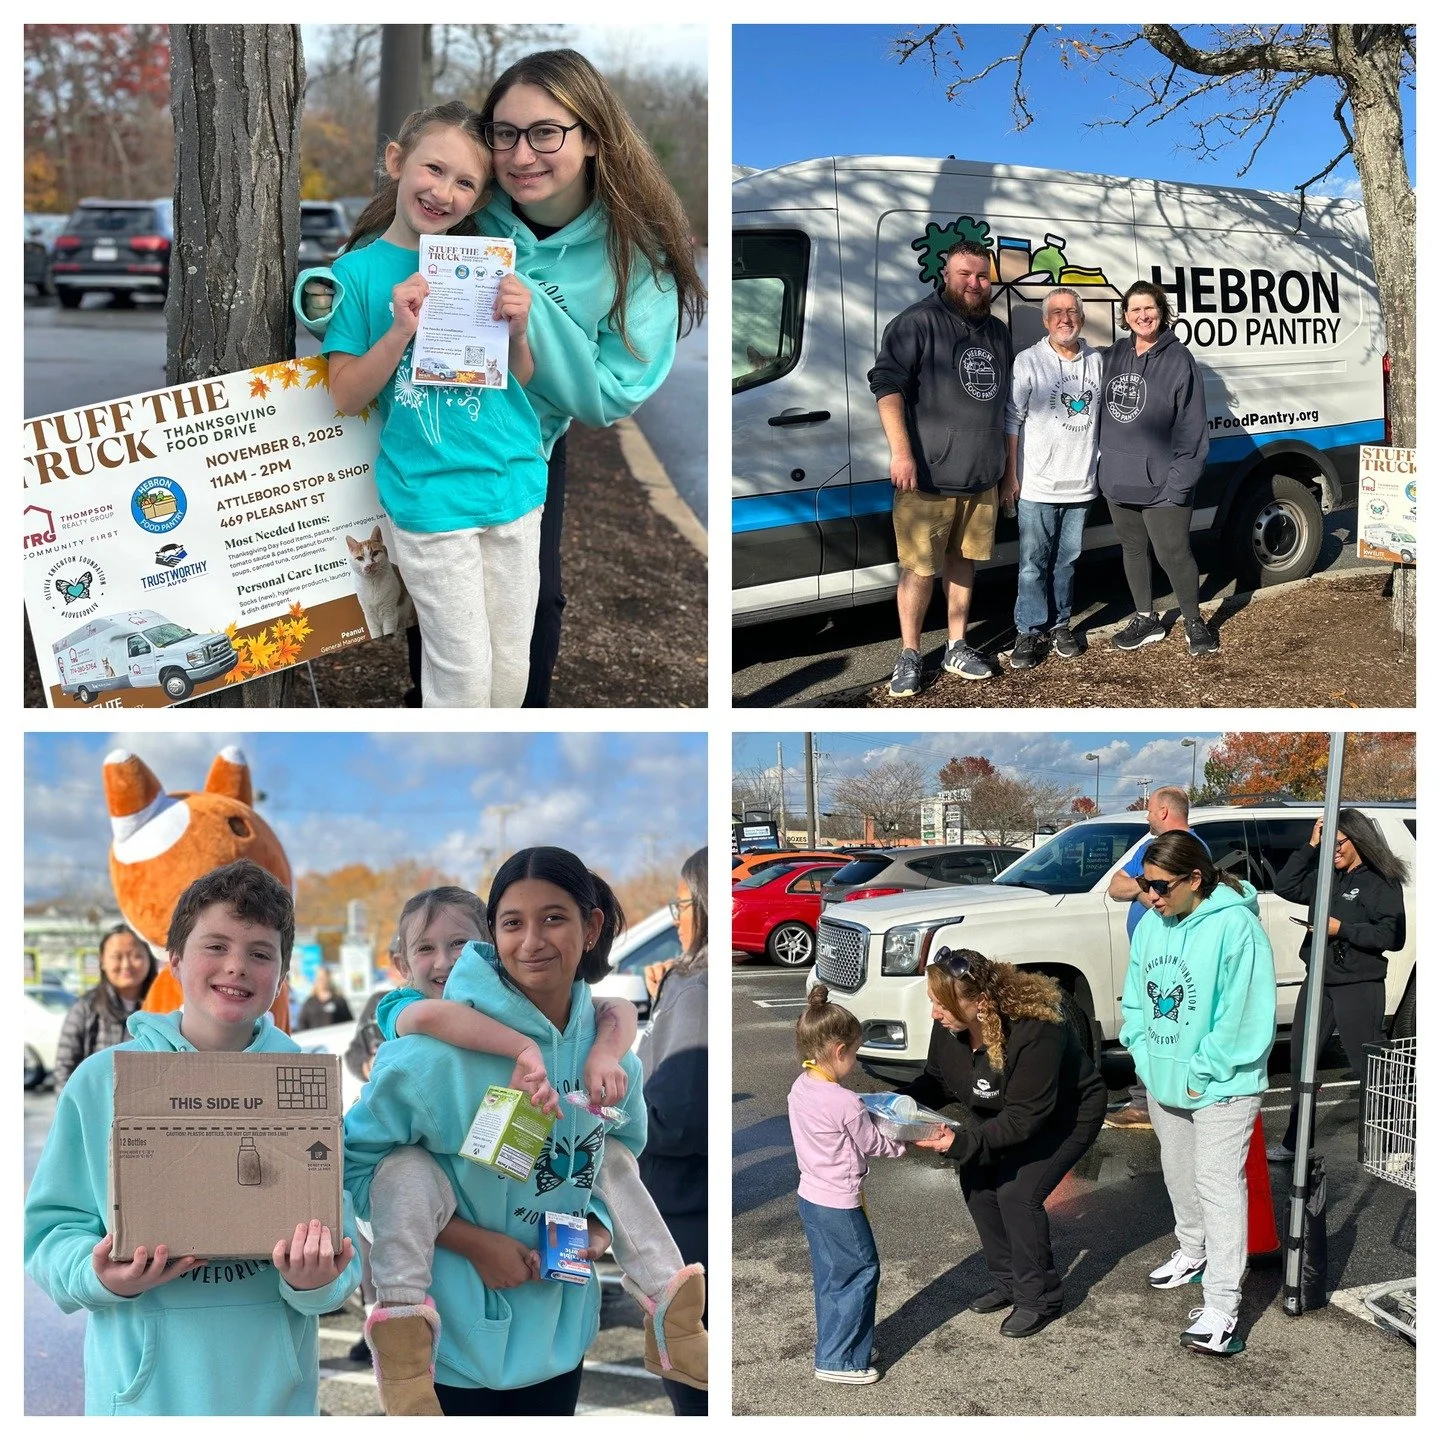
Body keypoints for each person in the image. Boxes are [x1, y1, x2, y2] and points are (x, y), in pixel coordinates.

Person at [343, 849, 703, 1415]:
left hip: (562, 1340)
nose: (532, 941)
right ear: (496, 937)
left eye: (554, 918)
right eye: (513, 923)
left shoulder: (611, 1060)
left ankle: (677, 1320)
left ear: (591, 927)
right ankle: (402, 1345)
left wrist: (594, 1227)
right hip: (449, 1361)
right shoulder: (425, 1057)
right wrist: (472, 1241)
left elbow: (620, 1153)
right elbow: (353, 1166)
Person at [25, 860, 361, 1415]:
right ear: (175, 959)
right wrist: (97, 1273)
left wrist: (315, 1282)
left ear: (281, 974)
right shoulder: (102, 1082)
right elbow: (49, 1233)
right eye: (216, 945)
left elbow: (342, 1247)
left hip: (270, 1400)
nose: (237, 966)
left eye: (260, 952)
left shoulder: (302, 1084)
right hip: (143, 1399)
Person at [474, 49, 706, 707]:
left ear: (594, 138)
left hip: (527, 440)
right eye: (505, 133)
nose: (521, 156)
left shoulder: (637, 255)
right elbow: (378, 272)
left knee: (532, 597)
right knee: (429, 593)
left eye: (546, 132)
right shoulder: (465, 200)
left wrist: (527, 310)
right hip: (424, 425)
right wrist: (322, 297)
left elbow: (608, 394)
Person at [321, 100, 548, 708]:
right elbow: (344, 393)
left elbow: (518, 378)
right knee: (463, 675)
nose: (444, 191)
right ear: (397, 162)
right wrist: (398, 330)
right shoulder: (359, 275)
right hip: (428, 496)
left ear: (480, 197)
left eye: (466, 182)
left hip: (514, 483)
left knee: (511, 669)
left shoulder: (484, 264)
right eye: (433, 169)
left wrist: (520, 330)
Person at [1120, 832, 1275, 1359]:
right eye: (1144, 884)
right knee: (1178, 1171)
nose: (1151, 896)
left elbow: (1244, 1014)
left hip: (1224, 1083)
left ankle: (1222, 1307)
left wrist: (1202, 1068)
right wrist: (1143, 1056)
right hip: (1165, 1077)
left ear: (1194, 879)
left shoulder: (1236, 925)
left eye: (1160, 886)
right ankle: (1193, 1251)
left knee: (1217, 1184)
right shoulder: (1152, 928)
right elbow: (1137, 1000)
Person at [907, 949, 1106, 1338]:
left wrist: (960, 1141)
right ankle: (1009, 1282)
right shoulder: (951, 1027)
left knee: (1017, 1192)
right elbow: (936, 1081)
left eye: (941, 1003)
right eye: (932, 1002)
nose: (934, 1013)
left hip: (1063, 1116)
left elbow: (1025, 1119)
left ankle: (1040, 1297)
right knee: (977, 1182)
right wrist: (895, 1105)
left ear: (980, 1003)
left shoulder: (1035, 1029)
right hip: (1005, 1112)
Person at [869, 240, 1015, 695]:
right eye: (965, 274)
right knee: (918, 569)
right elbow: (887, 387)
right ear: (946, 276)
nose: (974, 283)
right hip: (928, 476)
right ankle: (910, 655)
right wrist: (902, 453)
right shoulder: (916, 323)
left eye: (982, 276)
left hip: (982, 475)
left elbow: (1008, 404)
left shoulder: (997, 331)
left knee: (964, 561)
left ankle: (956, 645)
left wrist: (1008, 471)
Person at [1268, 809, 1408, 1162]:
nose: (1332, 850)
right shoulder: (1326, 875)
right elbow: (1285, 885)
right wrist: (1311, 844)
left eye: (1338, 843)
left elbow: (1392, 936)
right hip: (1318, 980)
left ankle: (1394, 1145)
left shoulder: (1380, 881)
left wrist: (1340, 929)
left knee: (1369, 1066)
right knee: (1301, 1063)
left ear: (1358, 840)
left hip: (1358, 984)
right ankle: (1297, 1143)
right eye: (1328, 842)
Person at [788, 985, 907, 1385]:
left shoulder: (801, 1087)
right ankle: (840, 1360)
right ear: (839, 1051)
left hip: (811, 1197)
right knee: (861, 1271)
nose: (854, 1063)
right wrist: (910, 1139)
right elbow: (874, 1143)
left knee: (831, 1275)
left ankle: (841, 1344)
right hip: (840, 1202)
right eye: (853, 1054)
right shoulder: (844, 1101)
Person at [1097, 280, 1218, 657]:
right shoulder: (1113, 355)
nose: (1142, 315)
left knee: (1174, 554)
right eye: (1134, 310)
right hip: (1118, 480)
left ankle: (1194, 622)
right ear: (1125, 316)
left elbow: (1192, 428)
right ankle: (1146, 619)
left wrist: (1178, 484)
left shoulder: (1179, 359)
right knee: (1133, 551)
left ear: (1162, 312)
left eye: (1148, 308)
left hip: (1164, 484)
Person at [638, 846, 709, 1414]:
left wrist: (605, 1116)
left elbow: (674, 1121)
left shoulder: (693, 987)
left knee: (689, 1382)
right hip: (692, 1213)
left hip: (679, 1218)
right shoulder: (688, 984)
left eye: (681, 904)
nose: (676, 916)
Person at [1003, 286, 1103, 668]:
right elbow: (1012, 418)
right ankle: (1028, 631)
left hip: (1081, 485)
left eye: (1072, 311)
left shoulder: (1096, 361)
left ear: (1081, 317)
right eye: (1057, 312)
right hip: (1037, 485)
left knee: (1067, 563)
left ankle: (1061, 624)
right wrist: (1010, 476)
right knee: (1032, 563)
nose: (1065, 318)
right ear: (1046, 321)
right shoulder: (1029, 361)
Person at [1105, 785, 1210, 1129]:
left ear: (1164, 811)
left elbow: (1134, 888)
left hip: (1174, 958)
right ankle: (1148, 1098)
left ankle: (1156, 1101)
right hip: (1148, 956)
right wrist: (1146, 885)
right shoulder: (1151, 849)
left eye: (1150, 810)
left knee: (1169, 1024)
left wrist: (1140, 888)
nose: (1147, 816)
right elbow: (1115, 886)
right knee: (1146, 1020)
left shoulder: (1190, 850)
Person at [52, 924, 157, 1091]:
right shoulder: (85, 1008)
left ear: (149, 958)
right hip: (99, 1109)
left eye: (136, 955)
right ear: (102, 961)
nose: (126, 965)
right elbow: (64, 1069)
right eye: (117, 957)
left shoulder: (163, 1006)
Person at [295, 965, 354, 1031]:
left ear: (329, 978)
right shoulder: (309, 1002)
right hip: (314, 1039)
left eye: (324, 977)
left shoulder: (339, 1001)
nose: (322, 981)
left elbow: (349, 1023)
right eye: (319, 978)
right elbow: (302, 1023)